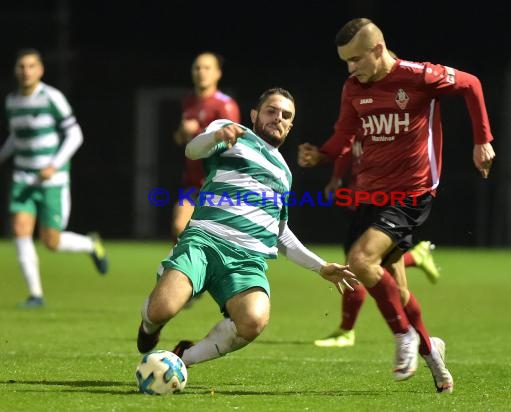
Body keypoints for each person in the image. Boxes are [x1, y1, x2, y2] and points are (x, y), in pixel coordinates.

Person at [298, 18, 496, 393]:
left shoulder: (419, 76)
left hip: (410, 193)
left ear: (377, 49)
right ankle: (433, 354)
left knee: (360, 261)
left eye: (356, 59)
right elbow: (344, 135)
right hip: (370, 195)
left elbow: (472, 84)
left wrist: (481, 140)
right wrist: (321, 156)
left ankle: (403, 334)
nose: (350, 68)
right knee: (397, 291)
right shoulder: (353, 88)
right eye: (345, 61)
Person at [137, 87, 359, 370]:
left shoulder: (284, 172)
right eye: (271, 111)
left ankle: (182, 359)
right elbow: (192, 151)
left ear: (290, 126)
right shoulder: (232, 133)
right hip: (205, 242)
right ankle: (149, 326)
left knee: (254, 320)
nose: (278, 118)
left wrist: (320, 266)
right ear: (254, 114)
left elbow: (279, 232)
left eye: (286, 115)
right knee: (161, 310)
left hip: (247, 261)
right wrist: (217, 135)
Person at [0, 48, 108, 308]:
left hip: (52, 180)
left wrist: (54, 164)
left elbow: (75, 135)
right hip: (23, 178)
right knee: (20, 230)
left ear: (40, 70)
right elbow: (17, 137)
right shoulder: (12, 101)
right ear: (16, 71)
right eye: (21, 66)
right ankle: (35, 294)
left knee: (51, 241)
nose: (26, 71)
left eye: (31, 66)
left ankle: (90, 244)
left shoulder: (52, 97)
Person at [314, 147, 441, 348]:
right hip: (362, 200)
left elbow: (344, 146)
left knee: (358, 264)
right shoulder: (360, 122)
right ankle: (416, 259)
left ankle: (348, 331)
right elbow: (344, 147)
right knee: (373, 271)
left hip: (384, 202)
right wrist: (337, 176)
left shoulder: (382, 125)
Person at [171, 52, 241, 241]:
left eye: (207, 68)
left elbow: (231, 144)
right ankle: (182, 270)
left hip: (218, 185)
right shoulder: (188, 101)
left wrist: (199, 131)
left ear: (218, 73)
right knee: (179, 228)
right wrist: (183, 132)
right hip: (193, 184)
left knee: (215, 241)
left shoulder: (225, 105)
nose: (201, 72)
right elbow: (179, 139)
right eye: (197, 67)